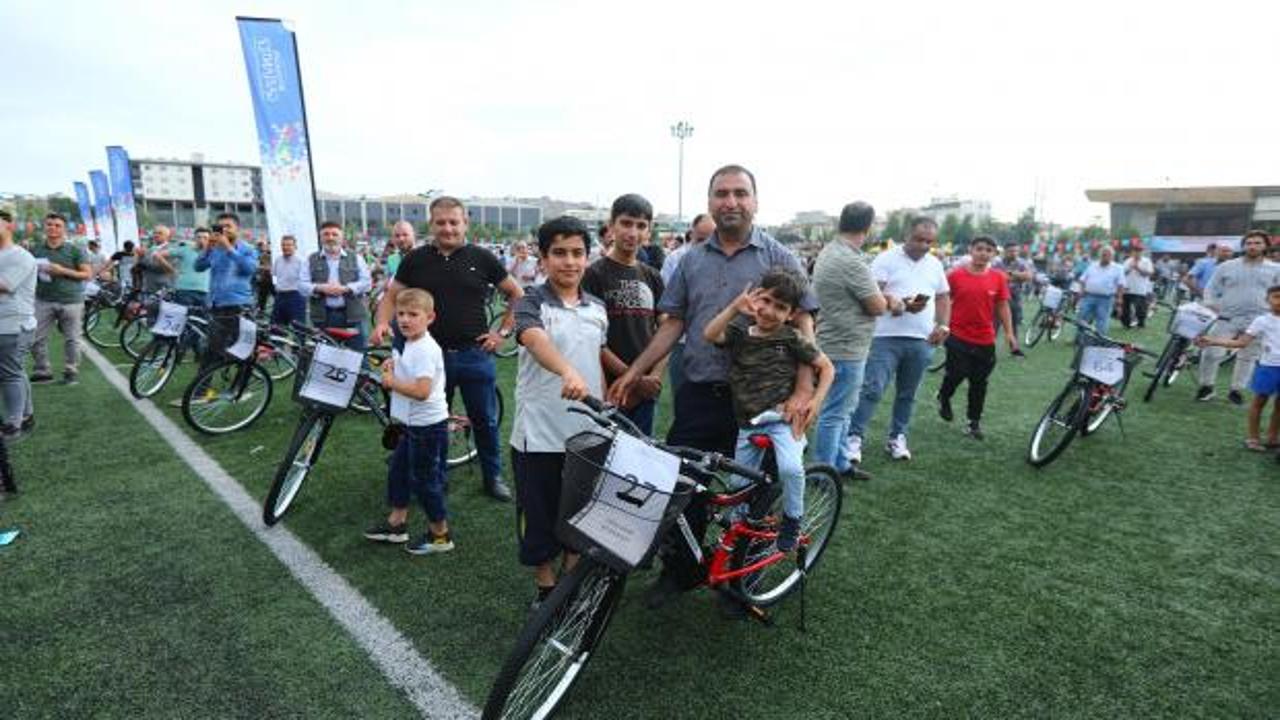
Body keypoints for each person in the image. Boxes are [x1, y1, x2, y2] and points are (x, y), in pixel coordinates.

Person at [609, 164, 817, 604]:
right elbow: (674, 323)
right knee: (685, 486)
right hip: (701, 392)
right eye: (722, 193)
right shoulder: (691, 259)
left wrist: (803, 391)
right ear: (710, 203)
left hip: (766, 403)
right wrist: (635, 370)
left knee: (759, 493)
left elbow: (803, 326)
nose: (731, 202)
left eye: (741, 193)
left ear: (755, 201)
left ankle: (742, 577)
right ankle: (680, 572)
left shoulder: (780, 258)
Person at [372, 196, 524, 502]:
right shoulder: (415, 259)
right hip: (428, 357)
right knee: (433, 422)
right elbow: (391, 296)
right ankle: (435, 476)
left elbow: (517, 294)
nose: (448, 228)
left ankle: (492, 475)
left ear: (465, 223)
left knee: (485, 420)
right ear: (431, 224)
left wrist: (502, 332)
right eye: (441, 222)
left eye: (454, 222)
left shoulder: (482, 258)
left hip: (474, 355)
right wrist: (380, 323)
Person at [508, 216, 607, 608]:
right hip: (540, 432)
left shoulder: (598, 308)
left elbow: (595, 354)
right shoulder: (531, 302)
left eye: (578, 253)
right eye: (560, 253)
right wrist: (566, 370)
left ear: (588, 256)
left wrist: (616, 384)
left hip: (587, 431)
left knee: (579, 509)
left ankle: (570, 580)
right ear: (543, 258)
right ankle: (546, 588)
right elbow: (533, 339)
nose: (570, 262)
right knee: (539, 512)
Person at [703, 270, 833, 552]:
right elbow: (710, 333)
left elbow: (827, 368)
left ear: (791, 314)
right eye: (766, 300)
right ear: (755, 298)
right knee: (739, 484)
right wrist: (733, 308)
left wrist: (815, 401)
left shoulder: (792, 337)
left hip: (782, 421)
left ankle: (792, 519)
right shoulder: (739, 332)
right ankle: (734, 535)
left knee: (790, 468)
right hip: (747, 423)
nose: (770, 311)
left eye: (781, 307)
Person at [845, 216, 950, 463]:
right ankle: (853, 437)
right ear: (906, 235)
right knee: (872, 389)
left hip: (921, 339)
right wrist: (897, 303)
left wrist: (944, 325)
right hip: (884, 337)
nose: (924, 245)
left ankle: (897, 437)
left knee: (908, 394)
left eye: (929, 241)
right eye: (919, 239)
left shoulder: (935, 264)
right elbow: (870, 294)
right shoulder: (885, 258)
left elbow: (944, 296)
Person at [363, 288, 453, 554]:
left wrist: (391, 382)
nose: (404, 319)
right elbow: (410, 371)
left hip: (426, 427)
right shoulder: (410, 343)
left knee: (425, 481)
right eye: (400, 313)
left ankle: (440, 535)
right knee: (399, 470)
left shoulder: (424, 349)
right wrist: (394, 364)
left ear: (430, 317)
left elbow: (422, 391)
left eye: (413, 314)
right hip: (411, 424)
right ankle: (396, 524)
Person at [811, 201, 886, 479]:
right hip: (845, 346)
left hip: (832, 340)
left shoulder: (829, 251)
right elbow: (877, 306)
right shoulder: (852, 260)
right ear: (867, 227)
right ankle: (823, 472)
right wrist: (891, 301)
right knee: (835, 413)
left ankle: (840, 463)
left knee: (842, 410)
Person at [582, 194, 665, 435]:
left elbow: (666, 333)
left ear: (649, 231)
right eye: (626, 223)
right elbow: (594, 340)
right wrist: (633, 378)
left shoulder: (652, 276)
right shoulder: (593, 275)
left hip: (646, 390)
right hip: (609, 387)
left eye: (641, 226)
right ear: (611, 227)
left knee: (639, 459)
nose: (633, 232)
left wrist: (654, 379)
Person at [936, 235, 1019, 439]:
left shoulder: (998, 277)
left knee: (979, 382)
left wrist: (1009, 333)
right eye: (979, 248)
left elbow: (1002, 305)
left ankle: (973, 423)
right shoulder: (955, 276)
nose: (984, 253)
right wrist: (939, 324)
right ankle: (943, 396)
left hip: (985, 338)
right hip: (957, 334)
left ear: (994, 254)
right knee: (957, 373)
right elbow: (942, 299)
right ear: (971, 250)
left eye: (989, 250)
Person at [1196, 231, 1280, 405]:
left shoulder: (1276, 269)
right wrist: (1212, 305)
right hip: (1227, 317)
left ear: (1265, 246)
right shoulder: (1227, 266)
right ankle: (1207, 386)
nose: (1252, 246)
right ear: (1243, 246)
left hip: (1258, 319)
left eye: (1257, 243)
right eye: (1248, 243)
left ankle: (1236, 390)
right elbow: (1210, 288)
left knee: (1248, 356)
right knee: (1211, 352)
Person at [1195, 285, 1280, 450]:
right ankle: (1253, 438)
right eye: (1276, 297)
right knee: (1259, 402)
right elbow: (1241, 342)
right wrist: (1213, 340)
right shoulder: (1262, 321)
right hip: (1268, 368)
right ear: (1267, 300)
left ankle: (1272, 437)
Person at [29, 213, 91, 385]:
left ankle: (71, 370)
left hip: (71, 300)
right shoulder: (36, 249)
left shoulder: (75, 249)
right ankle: (43, 370)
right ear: (45, 227)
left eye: (57, 225)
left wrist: (61, 271)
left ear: (64, 229)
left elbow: (87, 274)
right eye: (49, 224)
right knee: (35, 337)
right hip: (43, 299)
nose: (53, 228)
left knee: (72, 338)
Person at [194, 213, 258, 375]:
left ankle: (240, 386)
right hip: (217, 304)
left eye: (228, 226)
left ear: (238, 229)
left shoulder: (247, 249)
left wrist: (229, 248)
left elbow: (249, 269)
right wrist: (208, 248)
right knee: (212, 348)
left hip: (239, 305)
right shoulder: (215, 249)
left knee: (242, 349)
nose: (224, 230)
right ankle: (201, 391)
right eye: (221, 227)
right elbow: (198, 266)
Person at [660, 213, 715, 395]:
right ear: (691, 234)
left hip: (718, 342)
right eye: (700, 239)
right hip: (682, 341)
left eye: (712, 238)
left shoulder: (726, 259)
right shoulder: (676, 259)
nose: (706, 245)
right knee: (682, 396)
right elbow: (668, 305)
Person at [301, 222, 372, 350]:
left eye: (335, 234)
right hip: (323, 317)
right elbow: (301, 285)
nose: (330, 237)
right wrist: (321, 288)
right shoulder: (311, 259)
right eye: (326, 234)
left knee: (358, 356)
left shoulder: (356, 258)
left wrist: (346, 289)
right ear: (320, 237)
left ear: (341, 237)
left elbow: (367, 283)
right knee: (325, 357)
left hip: (353, 316)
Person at [0, 208, 37, 440]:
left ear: (9, 226)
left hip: (13, 325)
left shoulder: (20, 256)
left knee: (10, 375)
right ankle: (26, 415)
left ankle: (14, 425)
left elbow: (4, 285)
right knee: (14, 372)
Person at [1074, 246, 1125, 341]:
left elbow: (1121, 285)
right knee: (1082, 318)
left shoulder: (1118, 268)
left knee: (1101, 321)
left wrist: (1119, 300)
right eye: (1103, 254)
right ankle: (1079, 339)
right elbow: (1082, 279)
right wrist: (1081, 291)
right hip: (1089, 296)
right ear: (1100, 255)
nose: (1105, 256)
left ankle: (1098, 342)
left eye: (1108, 255)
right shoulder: (1092, 265)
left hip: (1106, 299)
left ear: (1112, 256)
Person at [991, 242, 1033, 337]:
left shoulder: (1022, 262)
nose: (1014, 253)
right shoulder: (997, 263)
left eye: (1016, 251)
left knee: (1013, 323)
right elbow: (998, 278)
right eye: (1011, 251)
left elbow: (1029, 276)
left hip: (1015, 296)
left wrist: (1012, 273)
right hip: (999, 297)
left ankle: (1014, 345)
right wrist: (1019, 276)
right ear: (1005, 251)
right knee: (995, 323)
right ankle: (990, 342)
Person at [164, 227, 211, 308]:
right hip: (184, 290)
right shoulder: (185, 249)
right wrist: (172, 270)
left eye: (205, 238)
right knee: (184, 318)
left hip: (205, 291)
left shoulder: (212, 253)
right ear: (194, 238)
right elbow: (158, 255)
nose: (202, 240)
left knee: (204, 319)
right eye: (199, 237)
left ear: (209, 239)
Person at [270, 235, 306, 327]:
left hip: (295, 296)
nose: (286, 247)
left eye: (289, 245)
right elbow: (275, 274)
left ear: (295, 247)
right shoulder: (278, 260)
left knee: (298, 327)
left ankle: (300, 342)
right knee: (276, 327)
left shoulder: (301, 261)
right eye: (283, 245)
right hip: (280, 296)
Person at [1121, 245, 1155, 328]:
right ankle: (1126, 324)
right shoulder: (1128, 261)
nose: (1137, 253)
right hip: (1127, 288)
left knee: (1140, 308)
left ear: (1142, 252)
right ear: (1132, 252)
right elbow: (1122, 273)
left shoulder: (1146, 261)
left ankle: (1141, 323)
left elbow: (1150, 273)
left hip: (1140, 289)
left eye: (1139, 251)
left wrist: (1137, 268)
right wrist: (1129, 268)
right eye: (1135, 251)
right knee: (1125, 308)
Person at [138, 225, 176, 294]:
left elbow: (163, 268)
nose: (156, 235)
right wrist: (140, 256)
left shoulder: (171, 250)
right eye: (155, 233)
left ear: (167, 236)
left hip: (163, 289)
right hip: (149, 287)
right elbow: (142, 267)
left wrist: (145, 258)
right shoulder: (150, 249)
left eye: (160, 233)